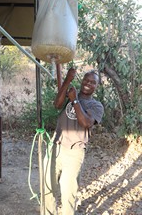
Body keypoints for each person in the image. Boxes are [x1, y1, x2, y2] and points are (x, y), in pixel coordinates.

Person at [44, 67, 104, 215]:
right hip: (55, 146)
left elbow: (86, 123)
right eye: (86, 80)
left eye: (93, 82)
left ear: (97, 86)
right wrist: (68, 79)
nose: (88, 83)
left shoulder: (96, 106)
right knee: (47, 188)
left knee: (68, 192)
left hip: (74, 152)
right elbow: (57, 104)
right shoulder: (71, 93)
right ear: (82, 80)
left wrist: (75, 100)